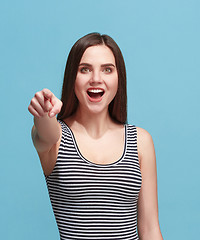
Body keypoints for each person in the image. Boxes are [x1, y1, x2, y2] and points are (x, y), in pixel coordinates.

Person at [28, 32, 163, 240]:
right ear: (72, 76)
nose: (96, 79)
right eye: (85, 69)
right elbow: (45, 133)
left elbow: (150, 229)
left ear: (119, 78)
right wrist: (45, 112)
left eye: (107, 69)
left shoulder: (140, 141)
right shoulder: (57, 138)